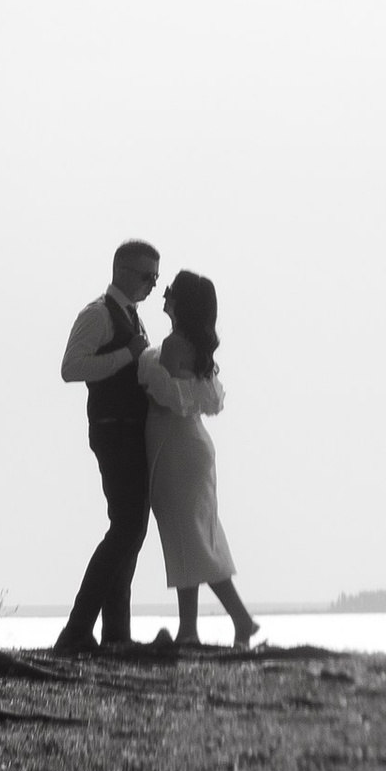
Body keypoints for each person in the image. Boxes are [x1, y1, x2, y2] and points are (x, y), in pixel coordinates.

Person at [138, 268, 258, 651]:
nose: (163, 295)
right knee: (194, 537)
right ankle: (191, 629)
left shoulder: (174, 344)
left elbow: (165, 397)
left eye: (169, 290)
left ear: (182, 301)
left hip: (175, 445)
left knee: (188, 538)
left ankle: (237, 619)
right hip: (192, 445)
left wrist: (143, 375)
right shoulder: (193, 345)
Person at [55, 239, 161, 653]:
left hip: (132, 431)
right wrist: (125, 355)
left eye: (156, 277)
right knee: (126, 528)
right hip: (111, 429)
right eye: (146, 275)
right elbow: (70, 368)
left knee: (131, 530)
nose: (152, 284)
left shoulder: (134, 318)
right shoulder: (98, 314)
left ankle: (116, 634)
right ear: (122, 272)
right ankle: (78, 629)